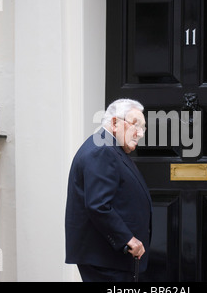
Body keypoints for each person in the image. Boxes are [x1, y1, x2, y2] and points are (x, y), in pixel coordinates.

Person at [65, 98, 152, 282]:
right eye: (136, 125)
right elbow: (98, 204)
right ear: (114, 122)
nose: (140, 133)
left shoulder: (109, 147)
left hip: (111, 260)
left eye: (143, 128)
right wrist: (128, 239)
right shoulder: (102, 150)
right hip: (106, 260)